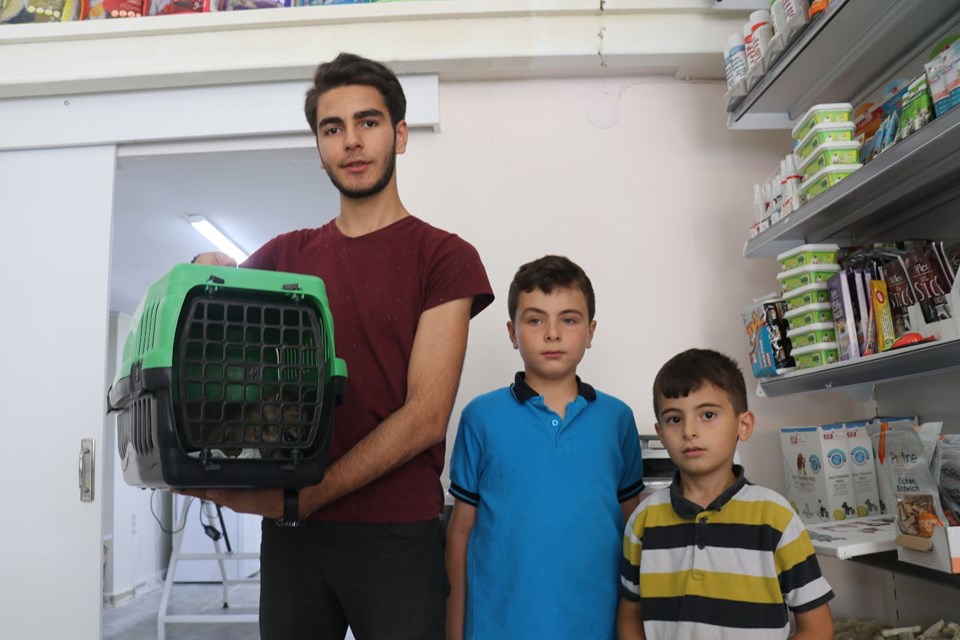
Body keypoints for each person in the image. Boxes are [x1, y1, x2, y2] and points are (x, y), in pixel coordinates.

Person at [185, 52, 494, 640]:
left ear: (400, 135)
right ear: (319, 148)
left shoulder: (445, 257)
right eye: (332, 129)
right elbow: (201, 323)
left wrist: (306, 496)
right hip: (294, 536)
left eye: (367, 122)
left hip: (396, 533)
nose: (351, 141)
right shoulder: (285, 256)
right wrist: (203, 263)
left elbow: (427, 416)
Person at [445, 255, 645, 640]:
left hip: (597, 627)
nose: (552, 334)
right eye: (535, 320)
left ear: (590, 331)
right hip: (499, 628)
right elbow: (460, 533)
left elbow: (633, 533)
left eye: (569, 320)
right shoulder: (480, 417)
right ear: (512, 332)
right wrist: (454, 632)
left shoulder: (617, 419)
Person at [617, 348, 834, 640]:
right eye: (674, 419)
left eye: (707, 414)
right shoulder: (644, 521)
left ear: (743, 425)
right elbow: (630, 613)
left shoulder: (775, 517)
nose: (689, 431)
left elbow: (817, 627)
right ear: (661, 434)